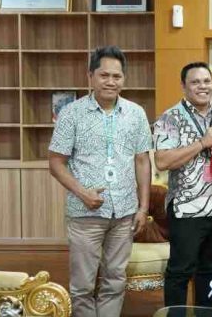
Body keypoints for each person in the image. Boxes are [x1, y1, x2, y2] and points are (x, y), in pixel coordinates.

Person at [48, 46, 152, 317]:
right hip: (85, 213)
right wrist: (83, 193)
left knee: (115, 280)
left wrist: (143, 208)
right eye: (104, 75)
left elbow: (142, 161)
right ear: (90, 76)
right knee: (82, 285)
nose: (110, 82)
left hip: (124, 213)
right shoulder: (71, 113)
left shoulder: (136, 113)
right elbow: (55, 163)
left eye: (117, 76)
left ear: (124, 79)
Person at [153, 62, 212, 308]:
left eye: (206, 81)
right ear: (183, 86)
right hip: (186, 208)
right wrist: (201, 143)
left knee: (211, 271)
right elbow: (162, 161)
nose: (202, 86)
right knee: (180, 271)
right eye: (195, 82)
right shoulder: (170, 118)